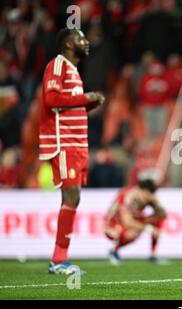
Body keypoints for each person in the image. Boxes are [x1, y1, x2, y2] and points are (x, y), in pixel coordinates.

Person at [39, 28, 105, 275]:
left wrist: (88, 104)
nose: (85, 42)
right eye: (80, 38)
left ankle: (59, 259)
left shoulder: (74, 71)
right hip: (63, 142)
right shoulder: (58, 64)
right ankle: (58, 260)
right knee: (71, 195)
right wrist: (85, 98)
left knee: (74, 197)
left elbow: (68, 110)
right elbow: (52, 100)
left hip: (77, 144)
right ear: (67, 44)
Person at [104, 178, 167, 265]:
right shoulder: (128, 197)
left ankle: (153, 254)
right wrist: (149, 229)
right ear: (142, 190)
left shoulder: (148, 197)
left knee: (158, 220)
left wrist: (157, 203)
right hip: (114, 224)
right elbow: (127, 222)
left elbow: (163, 215)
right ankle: (114, 251)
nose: (148, 198)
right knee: (133, 232)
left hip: (131, 219)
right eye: (147, 195)